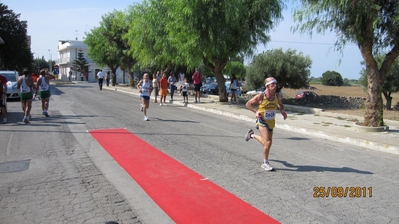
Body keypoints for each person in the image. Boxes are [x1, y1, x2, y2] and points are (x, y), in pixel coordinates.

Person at [244, 77, 288, 171]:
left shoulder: (277, 95)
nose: (275, 86)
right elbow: (248, 104)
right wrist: (256, 112)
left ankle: (251, 135)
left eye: (276, 84)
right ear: (267, 86)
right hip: (262, 121)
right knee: (268, 142)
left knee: (266, 143)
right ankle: (265, 163)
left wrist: (282, 110)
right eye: (273, 84)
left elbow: (280, 104)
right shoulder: (261, 96)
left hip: (271, 121)